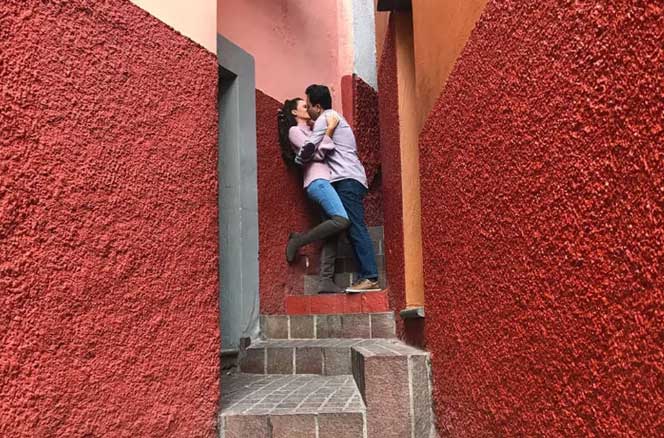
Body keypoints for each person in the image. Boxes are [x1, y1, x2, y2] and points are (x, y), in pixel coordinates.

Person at [295, 84, 380, 293]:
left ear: (317, 106)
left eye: (309, 105)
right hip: (351, 177)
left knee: (355, 227)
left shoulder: (324, 119)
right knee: (348, 227)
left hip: (347, 179)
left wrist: (299, 159)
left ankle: (369, 276)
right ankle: (365, 276)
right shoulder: (334, 118)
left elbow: (309, 148)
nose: (308, 110)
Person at [277, 97, 349, 293]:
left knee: (333, 231)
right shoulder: (295, 131)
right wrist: (329, 132)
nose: (308, 108)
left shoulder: (312, 130)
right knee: (342, 220)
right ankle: (298, 240)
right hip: (317, 182)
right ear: (294, 112)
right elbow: (314, 154)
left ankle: (326, 280)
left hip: (327, 181)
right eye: (304, 106)